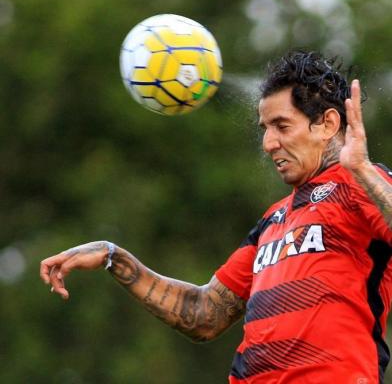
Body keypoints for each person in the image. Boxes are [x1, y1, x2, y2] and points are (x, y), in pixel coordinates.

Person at [40, 51, 392, 383]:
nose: (269, 143)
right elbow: (204, 314)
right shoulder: (274, 220)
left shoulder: (363, 185)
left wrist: (360, 168)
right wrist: (113, 256)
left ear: (328, 123)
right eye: (264, 129)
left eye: (282, 126)